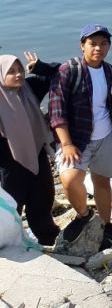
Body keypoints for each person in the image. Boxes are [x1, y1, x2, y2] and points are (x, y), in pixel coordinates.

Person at [49, 25, 112, 246]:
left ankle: (105, 225)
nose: (98, 48)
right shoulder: (68, 70)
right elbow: (57, 111)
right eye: (93, 43)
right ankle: (85, 215)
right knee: (69, 179)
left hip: (105, 135)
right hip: (77, 138)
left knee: (102, 182)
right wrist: (66, 143)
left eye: (103, 44)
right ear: (82, 45)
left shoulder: (110, 72)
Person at [0, 53, 60, 245]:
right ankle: (11, 241)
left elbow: (59, 73)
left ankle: (47, 237)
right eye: (11, 71)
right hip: (8, 163)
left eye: (20, 70)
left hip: (37, 154)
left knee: (42, 199)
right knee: (12, 205)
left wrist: (39, 66)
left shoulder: (30, 88)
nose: (18, 75)